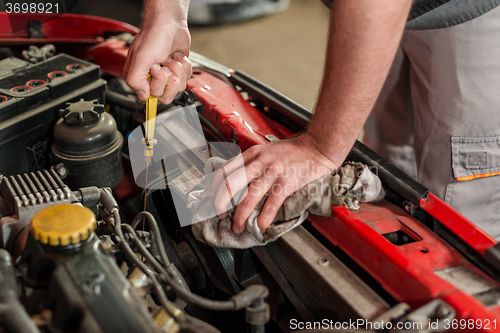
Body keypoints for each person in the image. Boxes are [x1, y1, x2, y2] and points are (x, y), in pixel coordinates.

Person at [125, 0, 500, 240]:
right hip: (366, 11)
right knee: (391, 153)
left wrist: (320, 147)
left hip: (468, 12)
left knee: (460, 214)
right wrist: (168, 14)